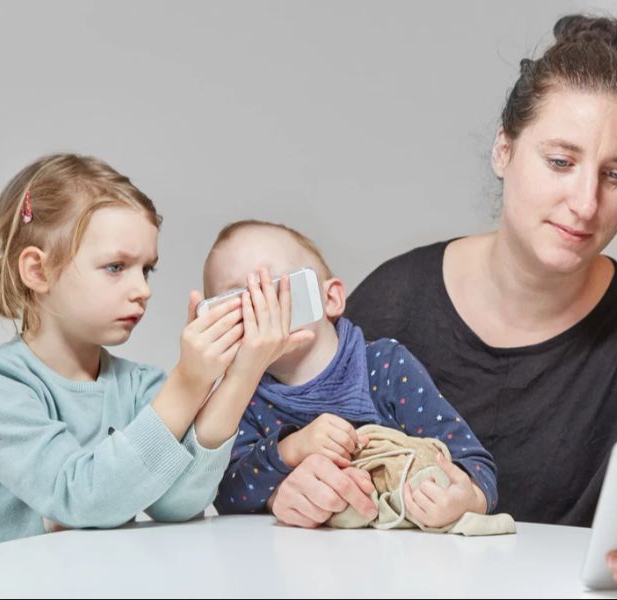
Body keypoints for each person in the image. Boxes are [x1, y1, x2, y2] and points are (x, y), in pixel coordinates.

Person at [284, 15, 617, 594]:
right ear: (503, 150)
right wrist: (291, 479)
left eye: (615, 174)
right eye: (560, 162)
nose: (585, 203)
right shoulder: (392, 300)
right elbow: (283, 438)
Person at [0, 154, 307, 552]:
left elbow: (179, 503)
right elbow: (81, 498)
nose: (143, 289)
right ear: (38, 271)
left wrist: (240, 376)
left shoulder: (141, 385)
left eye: (147, 269)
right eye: (117, 267)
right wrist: (188, 383)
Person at [204, 220, 497, 529]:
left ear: (330, 299)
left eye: (275, 286)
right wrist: (288, 450)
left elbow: (475, 463)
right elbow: (227, 497)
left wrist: (469, 499)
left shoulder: (386, 366)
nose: (262, 307)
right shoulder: (241, 396)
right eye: (238, 299)